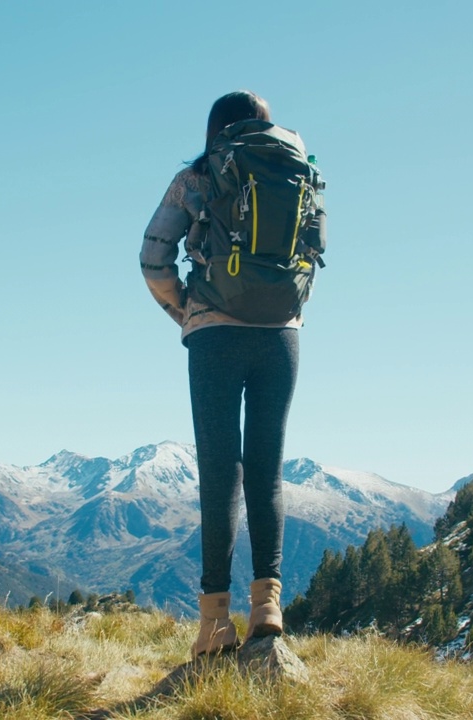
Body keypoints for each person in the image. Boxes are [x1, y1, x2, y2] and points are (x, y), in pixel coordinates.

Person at [140, 90, 325, 656]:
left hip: (214, 333)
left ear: (214, 129)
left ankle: (214, 624)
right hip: (282, 336)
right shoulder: (301, 174)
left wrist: (187, 310)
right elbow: (313, 255)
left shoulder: (198, 176)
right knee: (267, 470)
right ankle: (267, 606)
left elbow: (153, 258)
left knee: (221, 473)